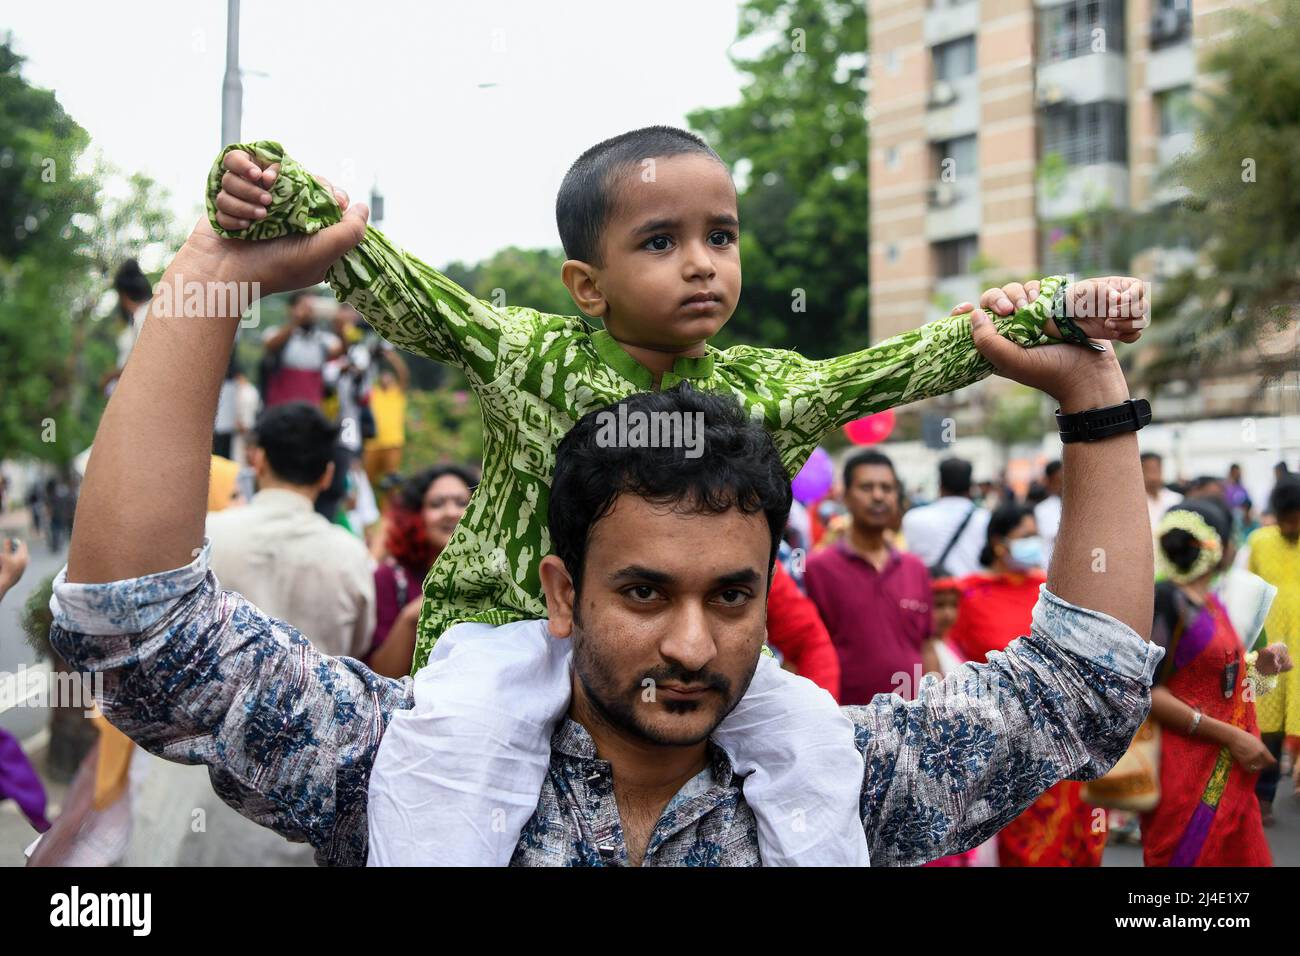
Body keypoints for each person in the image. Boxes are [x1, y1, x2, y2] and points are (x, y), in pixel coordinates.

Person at [51, 264, 1160, 865]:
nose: (690, 644)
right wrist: (208, 281)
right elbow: (138, 637)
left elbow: (1082, 689)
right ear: (559, 591)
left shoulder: (841, 784)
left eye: (730, 594)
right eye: (642, 590)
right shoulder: (411, 764)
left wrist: (1093, 400)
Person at [207, 131, 1148, 677]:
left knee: (799, 758)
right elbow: (385, 271)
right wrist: (266, 184)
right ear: (587, 283)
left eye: (721, 236)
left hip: (686, 675)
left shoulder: (767, 390)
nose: (703, 262)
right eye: (661, 241)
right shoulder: (525, 353)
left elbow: (925, 355)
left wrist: (1065, 305)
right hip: (498, 660)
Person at [948, 503, 1103, 866]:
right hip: (1005, 744)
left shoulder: (1051, 590)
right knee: (1022, 848)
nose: (1033, 543)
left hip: (1064, 737)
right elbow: (952, 661)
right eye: (1024, 536)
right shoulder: (968, 596)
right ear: (999, 544)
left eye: (1035, 534)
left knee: (1073, 841)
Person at [1142, 499, 1292, 866]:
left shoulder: (1211, 603)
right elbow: (1148, 691)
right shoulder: (1168, 601)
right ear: (1223, 548)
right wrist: (1231, 736)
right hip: (1186, 766)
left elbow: (1217, 683)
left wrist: (1262, 667)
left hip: (1231, 767)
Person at [204, 402, 375, 660]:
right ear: (327, 475)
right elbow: (358, 646)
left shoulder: (209, 534)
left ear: (258, 461)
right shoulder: (351, 554)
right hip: (316, 698)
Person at [805, 449, 933, 705]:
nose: (878, 496)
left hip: (914, 721)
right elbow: (806, 648)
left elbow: (927, 645)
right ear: (846, 496)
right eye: (867, 487)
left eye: (887, 488)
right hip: (847, 721)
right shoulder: (818, 568)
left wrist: (938, 704)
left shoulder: (914, 567)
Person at [366, 465, 478, 678]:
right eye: (437, 504)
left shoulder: (500, 574)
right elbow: (379, 677)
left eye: (462, 503)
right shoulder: (389, 578)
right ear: (417, 515)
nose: (451, 512)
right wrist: (412, 616)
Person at [1245, 477, 1300, 818]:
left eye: (1297, 518)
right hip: (1271, 641)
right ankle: (1261, 797)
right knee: (1267, 721)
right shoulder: (1259, 542)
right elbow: (1247, 588)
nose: (1291, 525)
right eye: (1286, 518)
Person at [901, 458, 991, 579]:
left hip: (930, 594)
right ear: (971, 486)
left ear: (940, 484)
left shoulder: (912, 518)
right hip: (973, 594)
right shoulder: (986, 519)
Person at [261, 290, 344, 407]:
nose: (309, 312)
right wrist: (296, 320)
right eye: (304, 306)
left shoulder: (321, 339)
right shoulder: (278, 333)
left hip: (311, 412)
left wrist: (340, 326)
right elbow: (270, 344)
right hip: (281, 411)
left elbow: (340, 351)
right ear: (291, 309)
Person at [100, 259, 152, 397]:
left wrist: (114, 375)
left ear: (123, 295)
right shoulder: (143, 315)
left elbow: (145, 361)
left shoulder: (144, 315)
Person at [363, 347, 410, 490]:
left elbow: (404, 375)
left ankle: (388, 511)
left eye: (389, 376)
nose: (386, 378)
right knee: (366, 481)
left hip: (392, 443)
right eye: (383, 376)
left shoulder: (397, 393)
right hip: (372, 444)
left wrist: (393, 358)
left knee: (392, 482)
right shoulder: (373, 392)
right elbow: (365, 378)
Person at [1142, 451, 1183, 531]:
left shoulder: (1176, 499)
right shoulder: (1135, 503)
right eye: (1147, 470)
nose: (1152, 476)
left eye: (1155, 470)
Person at [1034, 459, 1063, 568]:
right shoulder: (1043, 509)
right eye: (1059, 480)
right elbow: (1055, 535)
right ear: (1049, 481)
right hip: (1050, 569)